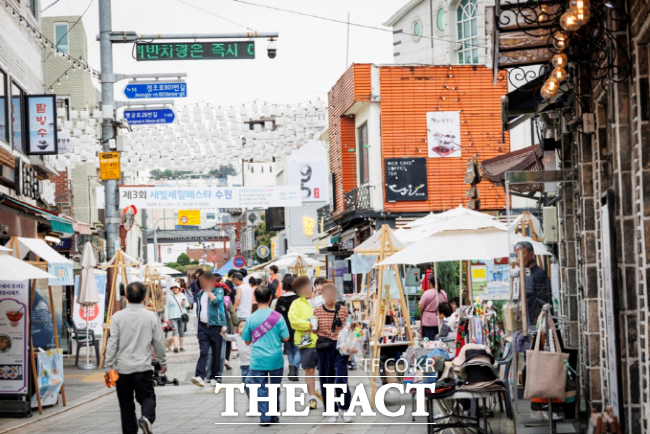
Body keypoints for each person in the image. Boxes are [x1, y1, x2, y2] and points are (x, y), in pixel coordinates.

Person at [104, 282, 167, 434]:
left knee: (126, 404)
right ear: (144, 298)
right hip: (142, 367)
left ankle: (130, 431)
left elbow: (112, 342)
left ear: (126, 297)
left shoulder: (117, 317)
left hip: (122, 369)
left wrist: (108, 366)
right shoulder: (151, 316)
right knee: (147, 397)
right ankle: (146, 418)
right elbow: (159, 341)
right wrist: (162, 361)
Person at [243, 285, 290, 426]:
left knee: (260, 388)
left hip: (258, 360)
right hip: (276, 358)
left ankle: (265, 418)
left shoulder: (250, 318)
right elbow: (286, 338)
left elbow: (246, 341)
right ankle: (274, 415)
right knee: (274, 388)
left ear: (255, 299)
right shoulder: (278, 317)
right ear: (270, 298)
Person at [313, 283, 353, 423]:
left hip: (340, 347)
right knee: (326, 379)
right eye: (327, 294)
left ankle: (346, 408)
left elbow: (348, 328)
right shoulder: (317, 311)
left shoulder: (342, 310)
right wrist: (312, 327)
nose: (329, 297)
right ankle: (331, 410)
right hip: (323, 347)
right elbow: (314, 330)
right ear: (322, 296)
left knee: (341, 378)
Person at [288, 276, 319, 409]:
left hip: (324, 340)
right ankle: (312, 396)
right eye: (302, 288)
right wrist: (309, 325)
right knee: (309, 369)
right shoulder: (296, 304)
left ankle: (328, 394)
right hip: (306, 341)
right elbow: (293, 321)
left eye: (307, 286)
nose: (305, 289)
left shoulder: (319, 300)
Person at [191, 272, 227, 387]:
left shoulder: (219, 291)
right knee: (204, 352)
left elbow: (216, 302)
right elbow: (198, 312)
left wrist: (209, 291)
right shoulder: (200, 295)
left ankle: (214, 377)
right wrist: (197, 329)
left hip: (216, 326)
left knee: (216, 353)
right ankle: (200, 376)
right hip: (203, 327)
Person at [515, 241, 553, 326]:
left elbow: (545, 303)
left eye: (522, 254)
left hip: (539, 327)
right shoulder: (525, 274)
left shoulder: (539, 274)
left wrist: (539, 324)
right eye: (517, 255)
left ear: (531, 255)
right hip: (528, 325)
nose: (518, 258)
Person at [273, 275, 300, 381]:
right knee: (299, 349)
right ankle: (295, 367)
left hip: (285, 329)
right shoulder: (298, 299)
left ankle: (293, 369)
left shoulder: (280, 300)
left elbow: (277, 316)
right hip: (297, 328)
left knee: (289, 351)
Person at [221, 321, 250, 393]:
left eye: (245, 327)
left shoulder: (251, 336)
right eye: (241, 327)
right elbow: (227, 337)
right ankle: (252, 401)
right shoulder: (237, 336)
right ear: (237, 329)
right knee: (245, 386)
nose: (243, 329)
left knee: (249, 382)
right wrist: (224, 333)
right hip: (243, 366)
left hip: (252, 365)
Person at [418, 274, 448, 340]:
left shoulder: (427, 293)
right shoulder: (443, 293)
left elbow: (420, 307)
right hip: (440, 319)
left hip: (428, 320)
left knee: (429, 341)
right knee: (440, 340)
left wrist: (423, 313)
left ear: (430, 283)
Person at [164, 285, 188, 353]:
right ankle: (175, 346)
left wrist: (184, 304)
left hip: (181, 316)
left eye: (176, 288)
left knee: (181, 332)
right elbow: (167, 307)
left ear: (178, 288)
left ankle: (181, 346)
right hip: (173, 317)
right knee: (175, 331)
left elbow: (187, 304)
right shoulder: (169, 297)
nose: (174, 289)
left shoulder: (182, 295)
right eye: (172, 288)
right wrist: (166, 318)